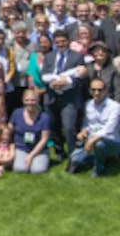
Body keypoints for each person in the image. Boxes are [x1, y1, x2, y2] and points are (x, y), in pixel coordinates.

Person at [42, 29, 87, 163]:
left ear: (68, 41)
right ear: (54, 43)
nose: (61, 44)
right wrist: (55, 81)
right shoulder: (49, 56)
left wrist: (66, 81)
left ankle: (74, 155)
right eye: (58, 42)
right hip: (52, 96)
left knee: (68, 127)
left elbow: (82, 77)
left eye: (63, 41)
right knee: (53, 125)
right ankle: (59, 152)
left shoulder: (77, 56)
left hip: (69, 97)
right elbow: (43, 74)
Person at [68, 78, 120, 177]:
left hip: (112, 142)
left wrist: (91, 141)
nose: (96, 93)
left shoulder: (115, 107)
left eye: (100, 90)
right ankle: (104, 159)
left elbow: (108, 129)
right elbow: (86, 124)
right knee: (74, 158)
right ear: (90, 90)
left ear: (105, 90)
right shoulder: (88, 104)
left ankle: (99, 170)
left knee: (99, 144)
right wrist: (83, 132)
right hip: (91, 142)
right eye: (93, 90)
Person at [9, 89, 51, 174]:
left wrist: (31, 156)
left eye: (33, 100)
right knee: (20, 169)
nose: (30, 103)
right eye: (27, 100)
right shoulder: (16, 113)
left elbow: (44, 139)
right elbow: (9, 130)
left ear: (38, 101)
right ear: (23, 101)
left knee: (37, 170)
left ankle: (39, 159)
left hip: (39, 150)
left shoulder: (44, 117)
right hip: (21, 148)